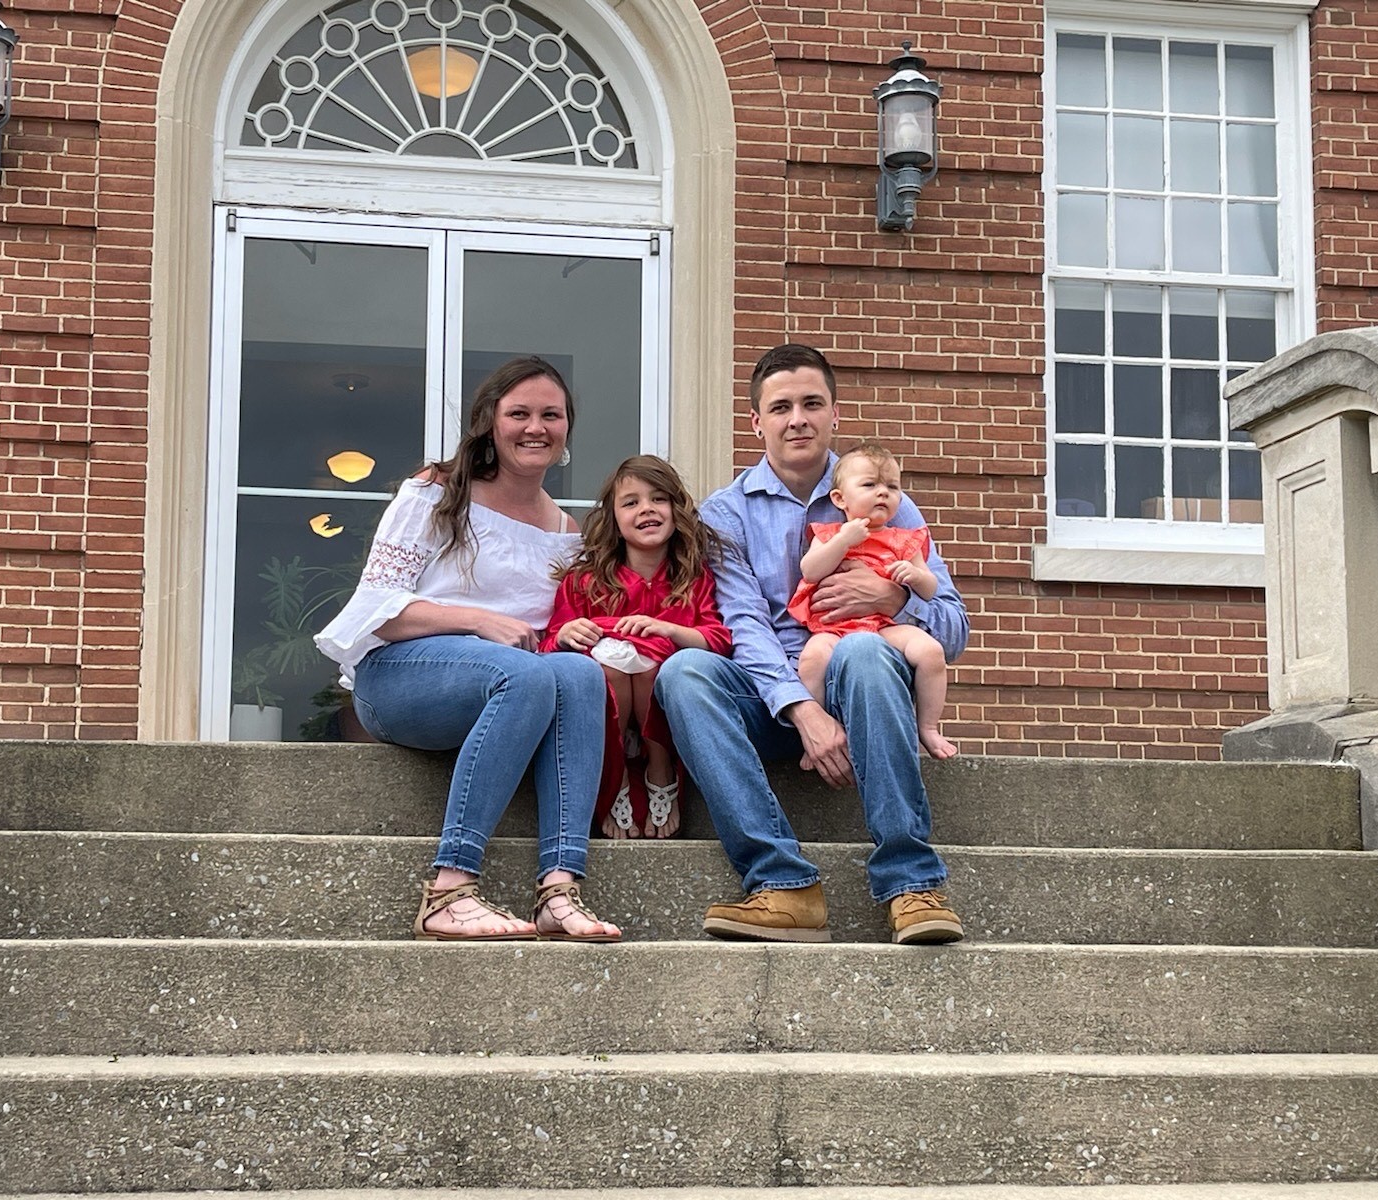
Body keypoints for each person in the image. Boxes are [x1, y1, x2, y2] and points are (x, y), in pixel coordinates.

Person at [654, 344, 969, 945]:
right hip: (774, 699)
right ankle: (782, 884)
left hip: (867, 689)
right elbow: (744, 626)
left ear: (833, 413)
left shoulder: (884, 498)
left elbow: (953, 630)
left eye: (811, 403)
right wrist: (804, 712)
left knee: (862, 652)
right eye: (781, 407)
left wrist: (892, 601)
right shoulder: (726, 513)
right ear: (757, 422)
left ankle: (910, 883)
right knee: (686, 671)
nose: (796, 417)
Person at [315, 356, 621, 944]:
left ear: (566, 431)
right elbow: (377, 608)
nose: (536, 427)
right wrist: (480, 621)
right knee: (527, 675)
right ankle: (449, 891)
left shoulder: (567, 532)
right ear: (489, 422)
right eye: (520, 414)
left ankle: (559, 888)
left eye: (551, 415)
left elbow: (552, 635)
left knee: (578, 675)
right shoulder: (437, 494)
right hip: (401, 677)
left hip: (505, 683)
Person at [541, 455, 731, 840]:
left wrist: (668, 629)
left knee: (650, 666)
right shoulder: (584, 581)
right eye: (631, 502)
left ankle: (660, 769)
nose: (646, 509)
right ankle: (615, 781)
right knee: (608, 667)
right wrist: (567, 634)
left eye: (659, 499)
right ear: (613, 519)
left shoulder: (693, 579)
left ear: (676, 511)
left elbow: (717, 640)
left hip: (660, 704)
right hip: (608, 708)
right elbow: (550, 644)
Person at [788, 441, 958, 759]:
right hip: (834, 630)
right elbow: (810, 570)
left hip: (883, 628)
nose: (883, 493)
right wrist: (842, 541)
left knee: (931, 652)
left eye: (892, 487)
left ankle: (929, 727)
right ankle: (815, 736)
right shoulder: (828, 534)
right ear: (839, 498)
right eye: (870, 485)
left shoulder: (905, 539)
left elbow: (931, 588)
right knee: (810, 660)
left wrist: (914, 575)